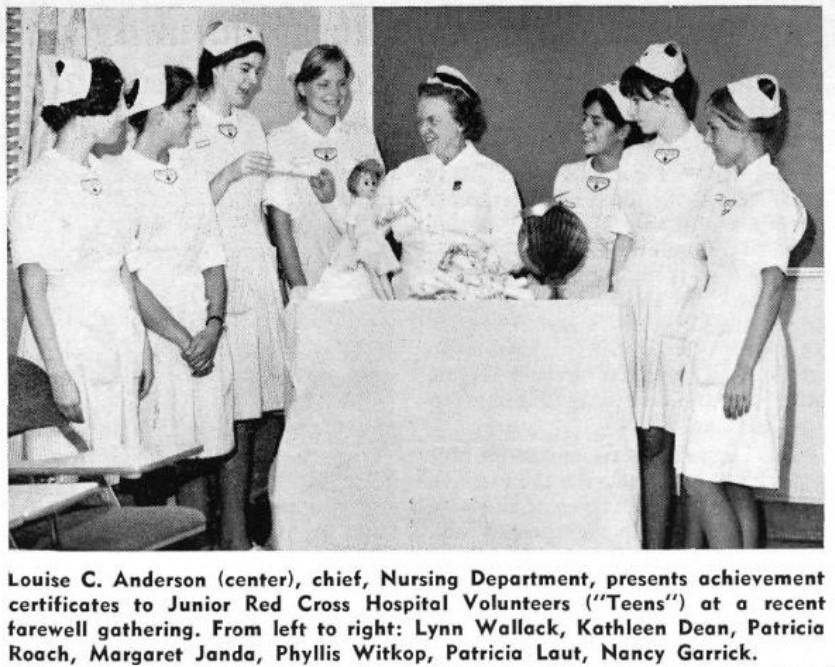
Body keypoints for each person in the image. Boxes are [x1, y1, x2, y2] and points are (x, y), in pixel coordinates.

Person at [677, 75, 805, 549]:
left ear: (744, 131)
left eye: (715, 129)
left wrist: (743, 370)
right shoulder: (734, 187)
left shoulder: (768, 196)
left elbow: (771, 285)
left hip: (743, 353)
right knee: (730, 481)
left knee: (701, 480)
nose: (708, 138)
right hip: (719, 343)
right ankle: (750, 585)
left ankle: (731, 589)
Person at [176, 21, 287, 549]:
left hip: (255, 268)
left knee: (249, 413)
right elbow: (187, 212)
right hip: (212, 272)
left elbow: (263, 207)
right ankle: (205, 537)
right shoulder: (185, 122)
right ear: (216, 67)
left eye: (258, 72)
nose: (251, 81)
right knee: (214, 408)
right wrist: (232, 170)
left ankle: (237, 533)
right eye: (244, 69)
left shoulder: (251, 124)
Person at [9, 56, 149, 461]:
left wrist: (141, 344)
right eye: (117, 104)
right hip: (68, 342)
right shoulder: (36, 186)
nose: (125, 114)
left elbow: (121, 265)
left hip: (116, 337)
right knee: (69, 469)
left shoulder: (109, 179)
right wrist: (57, 373)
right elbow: (33, 287)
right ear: (87, 110)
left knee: (115, 461)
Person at [115, 65, 234, 544]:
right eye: (187, 110)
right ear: (159, 112)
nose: (194, 120)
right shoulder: (118, 175)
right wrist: (186, 339)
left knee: (200, 459)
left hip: (201, 327)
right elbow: (129, 276)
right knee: (155, 462)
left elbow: (213, 254)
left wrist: (213, 323)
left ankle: (201, 560)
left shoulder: (190, 170)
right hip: (154, 332)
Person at [610, 42, 721, 549]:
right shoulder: (632, 158)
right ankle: (649, 556)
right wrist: (610, 305)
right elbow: (624, 235)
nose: (630, 111)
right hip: (635, 296)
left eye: (638, 100)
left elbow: (717, 243)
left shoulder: (709, 157)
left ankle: (689, 557)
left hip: (685, 297)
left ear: (667, 96)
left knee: (679, 434)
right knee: (642, 435)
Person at [376, 65, 522, 298]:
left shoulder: (495, 178)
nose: (424, 130)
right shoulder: (403, 176)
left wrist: (473, 269)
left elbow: (512, 250)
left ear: (461, 122)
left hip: (469, 307)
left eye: (433, 121)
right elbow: (366, 234)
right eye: (420, 121)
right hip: (409, 310)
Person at [265, 44, 383, 294]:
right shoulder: (280, 141)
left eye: (341, 83)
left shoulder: (361, 139)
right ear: (301, 87)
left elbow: (374, 217)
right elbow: (281, 225)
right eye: (323, 84)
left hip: (360, 280)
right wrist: (300, 291)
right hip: (310, 277)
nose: (335, 93)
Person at [552, 82, 643, 298]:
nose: (585, 128)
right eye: (585, 118)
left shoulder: (638, 182)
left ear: (623, 131)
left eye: (596, 122)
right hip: (564, 304)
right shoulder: (567, 175)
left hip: (609, 309)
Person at [310, 159, 399, 301]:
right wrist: (353, 243)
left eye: (373, 183)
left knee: (380, 273)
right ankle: (386, 301)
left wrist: (392, 217)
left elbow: (378, 222)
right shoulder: (358, 205)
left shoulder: (371, 204)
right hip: (363, 245)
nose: (371, 187)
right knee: (374, 274)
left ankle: (390, 301)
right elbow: (351, 225)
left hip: (375, 243)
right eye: (366, 183)